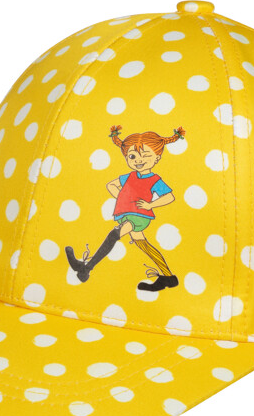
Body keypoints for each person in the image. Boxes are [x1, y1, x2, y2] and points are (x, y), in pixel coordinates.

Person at [65, 124, 185, 292]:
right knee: (143, 244)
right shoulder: (130, 176)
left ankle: (86, 269)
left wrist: (150, 204)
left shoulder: (154, 180)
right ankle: (169, 277)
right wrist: (124, 198)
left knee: (114, 234)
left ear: (157, 157)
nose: (138, 160)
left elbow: (169, 196)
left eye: (145, 155)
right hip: (130, 212)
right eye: (132, 156)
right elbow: (111, 185)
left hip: (140, 216)